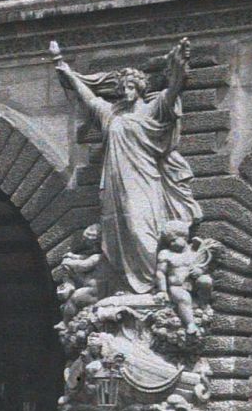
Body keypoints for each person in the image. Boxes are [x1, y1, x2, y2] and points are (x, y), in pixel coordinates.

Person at [50, 36, 202, 295]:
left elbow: (174, 89)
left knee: (140, 227)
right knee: (116, 232)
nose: (125, 91)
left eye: (131, 86)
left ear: (140, 87)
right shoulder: (112, 114)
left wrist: (179, 67)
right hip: (114, 184)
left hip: (145, 180)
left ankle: (153, 285)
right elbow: (89, 98)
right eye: (123, 87)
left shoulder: (153, 109)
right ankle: (126, 285)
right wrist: (63, 68)